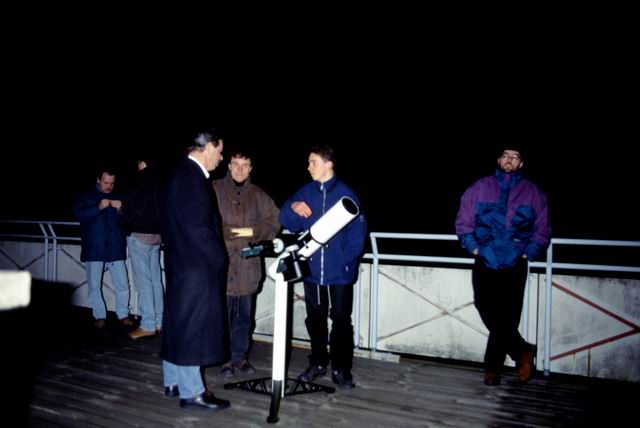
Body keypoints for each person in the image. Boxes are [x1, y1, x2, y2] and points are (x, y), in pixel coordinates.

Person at [455, 146, 551, 386]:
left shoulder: (533, 193)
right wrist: (474, 247)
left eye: (515, 157)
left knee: (508, 316)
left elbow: (542, 230)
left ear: (521, 163)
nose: (509, 160)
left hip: (515, 262)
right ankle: (522, 351)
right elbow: (463, 222)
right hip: (485, 259)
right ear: (498, 159)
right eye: (506, 156)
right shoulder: (480, 187)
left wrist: (528, 252)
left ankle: (492, 369)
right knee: (485, 306)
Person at [279, 145, 367, 390]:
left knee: (341, 320)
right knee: (315, 319)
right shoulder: (306, 192)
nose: (308, 167)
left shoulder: (347, 194)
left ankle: (341, 368)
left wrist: (342, 262)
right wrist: (292, 207)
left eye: (313, 162)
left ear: (329, 164)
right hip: (313, 272)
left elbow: (357, 237)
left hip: (340, 273)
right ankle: (317, 363)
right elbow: (286, 222)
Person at [160, 130, 230, 411]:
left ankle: (173, 381)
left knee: (178, 323)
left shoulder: (178, 174)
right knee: (193, 328)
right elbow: (198, 229)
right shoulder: (192, 178)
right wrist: (219, 257)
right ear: (208, 147)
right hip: (196, 268)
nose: (221, 158)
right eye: (220, 151)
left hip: (180, 264)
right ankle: (192, 392)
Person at [213, 151, 280, 377]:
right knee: (221, 316)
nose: (240, 169)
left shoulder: (258, 195)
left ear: (251, 168)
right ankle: (223, 359)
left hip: (247, 269)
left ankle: (240, 357)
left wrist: (255, 232)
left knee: (243, 317)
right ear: (228, 166)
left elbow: (275, 220)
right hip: (221, 267)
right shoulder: (213, 189)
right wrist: (224, 232)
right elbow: (202, 220)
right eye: (236, 164)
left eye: (245, 165)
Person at [73, 167, 134, 329]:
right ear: (98, 180)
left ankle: (123, 315)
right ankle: (99, 316)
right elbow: (79, 215)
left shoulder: (119, 196)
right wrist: (98, 207)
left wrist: (121, 209)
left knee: (123, 284)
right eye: (106, 183)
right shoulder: (85, 195)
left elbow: (130, 221)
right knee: (94, 285)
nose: (109, 187)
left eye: (112, 183)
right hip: (94, 247)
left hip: (115, 247)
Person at [122, 157, 164, 340]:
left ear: (142, 164)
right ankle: (159, 321)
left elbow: (129, 208)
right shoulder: (161, 183)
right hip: (156, 237)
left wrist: (124, 222)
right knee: (156, 281)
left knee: (144, 281)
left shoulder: (137, 182)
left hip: (139, 236)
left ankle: (147, 324)